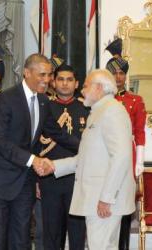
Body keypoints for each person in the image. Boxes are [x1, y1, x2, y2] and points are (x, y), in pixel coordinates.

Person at [0, 53, 79, 250]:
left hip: (25, 183)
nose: (47, 80)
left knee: (22, 238)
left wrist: (89, 147)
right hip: (1, 181)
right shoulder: (7, 98)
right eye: (42, 75)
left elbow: (58, 134)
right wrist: (32, 160)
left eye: (49, 75)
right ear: (27, 73)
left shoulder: (43, 102)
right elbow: (0, 141)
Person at [43, 69, 136, 250]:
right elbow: (86, 159)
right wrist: (53, 166)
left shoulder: (112, 111)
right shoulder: (98, 112)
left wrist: (107, 198)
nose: (83, 91)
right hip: (99, 198)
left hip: (105, 200)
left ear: (99, 88)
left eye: (85, 86)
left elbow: (121, 157)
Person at [39, 64, 88, 250]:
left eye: (69, 80)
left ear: (76, 84)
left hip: (78, 179)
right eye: (60, 79)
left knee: (77, 232)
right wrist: (37, 178)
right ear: (53, 82)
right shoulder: (45, 107)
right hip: (50, 179)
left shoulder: (86, 108)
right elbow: (36, 143)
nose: (65, 84)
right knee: (51, 233)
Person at [106, 38, 146, 250]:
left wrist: (138, 162)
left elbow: (139, 133)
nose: (118, 77)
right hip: (104, 159)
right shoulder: (100, 100)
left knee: (123, 210)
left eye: (122, 73)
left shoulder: (135, 100)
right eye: (114, 73)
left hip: (126, 159)